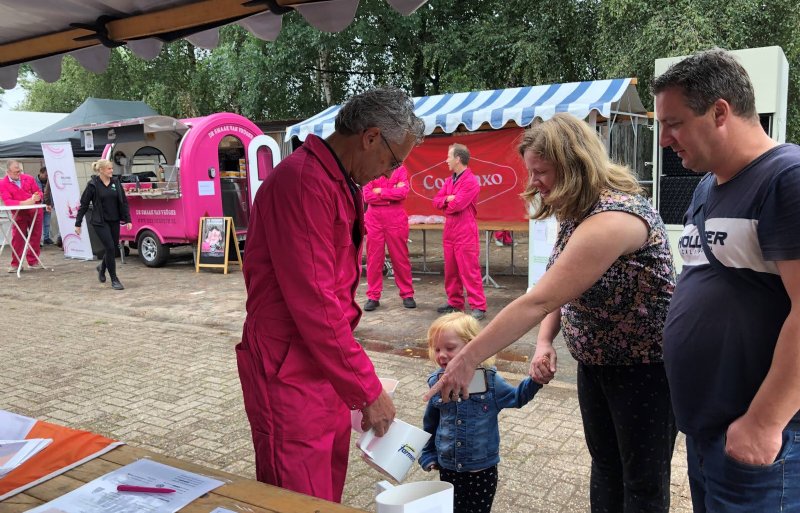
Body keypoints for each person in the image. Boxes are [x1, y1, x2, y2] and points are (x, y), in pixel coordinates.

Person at [426, 113, 677, 513]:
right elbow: (560, 289)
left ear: (573, 164)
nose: (534, 183)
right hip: (596, 364)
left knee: (642, 482)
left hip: (643, 370)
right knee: (606, 466)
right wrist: (544, 341)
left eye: (541, 172)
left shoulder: (614, 217)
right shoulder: (576, 210)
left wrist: (468, 357)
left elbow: (537, 300)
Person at [237, 87, 425, 503]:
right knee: (297, 496)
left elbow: (331, 301)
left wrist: (356, 380)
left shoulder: (338, 182)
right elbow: (316, 304)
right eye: (393, 161)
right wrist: (367, 388)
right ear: (371, 137)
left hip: (322, 366)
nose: (389, 174)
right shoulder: (304, 183)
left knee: (324, 492)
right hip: (288, 370)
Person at [653, 48, 800, 512]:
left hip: (760, 440)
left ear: (720, 112)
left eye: (673, 123)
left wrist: (764, 423)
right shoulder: (706, 185)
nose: (664, 139)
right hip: (709, 430)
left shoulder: (787, 178)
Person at [419, 312, 541, 513]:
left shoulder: (490, 381)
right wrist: (427, 453)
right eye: (437, 348)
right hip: (448, 467)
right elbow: (430, 423)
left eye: (449, 348)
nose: (441, 355)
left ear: (472, 346)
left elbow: (517, 398)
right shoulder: (436, 382)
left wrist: (536, 380)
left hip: (482, 470)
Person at [433, 143, 487, 320]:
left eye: (449, 156)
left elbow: (457, 205)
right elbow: (436, 201)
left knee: (469, 270)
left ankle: (478, 306)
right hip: (450, 231)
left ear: (458, 159)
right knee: (451, 270)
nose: (446, 160)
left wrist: (447, 202)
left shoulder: (471, 181)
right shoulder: (449, 181)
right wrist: (447, 199)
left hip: (465, 231)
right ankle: (455, 302)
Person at [362, 163, 416, 311]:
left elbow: (403, 193)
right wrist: (391, 193)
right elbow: (367, 196)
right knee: (374, 259)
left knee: (400, 258)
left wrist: (380, 191)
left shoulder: (400, 169)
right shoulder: (371, 167)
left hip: (395, 220)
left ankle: (407, 294)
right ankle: (373, 296)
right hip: (375, 221)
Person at [74, 159, 132, 291]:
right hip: (100, 222)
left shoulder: (116, 182)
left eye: (112, 168)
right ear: (101, 170)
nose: (112, 171)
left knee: (112, 248)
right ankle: (114, 279)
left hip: (114, 220)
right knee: (110, 247)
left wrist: (128, 219)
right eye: (109, 169)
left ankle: (102, 267)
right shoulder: (92, 185)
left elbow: (123, 202)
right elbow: (84, 205)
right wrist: (78, 223)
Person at [0, 160, 43, 272]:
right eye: (16, 172)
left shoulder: (29, 178)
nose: (19, 174)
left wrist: (37, 197)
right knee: (17, 238)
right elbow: (8, 201)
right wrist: (25, 203)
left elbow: (38, 192)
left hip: (34, 212)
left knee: (35, 236)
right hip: (19, 213)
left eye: (19, 171)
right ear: (8, 172)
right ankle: (16, 264)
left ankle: (33, 261)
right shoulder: (3, 183)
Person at [35, 167, 54, 245]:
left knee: (47, 223)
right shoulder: (34, 181)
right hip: (38, 206)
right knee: (38, 224)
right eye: (46, 175)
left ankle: (46, 238)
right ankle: (38, 240)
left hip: (48, 204)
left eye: (48, 175)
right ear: (40, 173)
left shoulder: (50, 181)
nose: (47, 177)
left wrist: (51, 204)